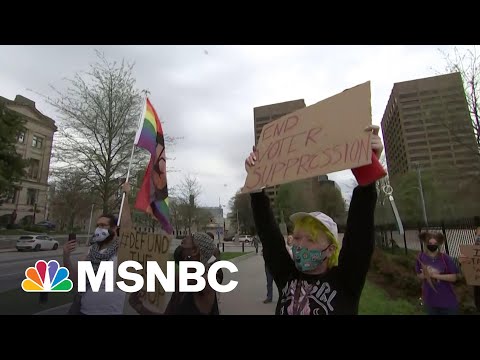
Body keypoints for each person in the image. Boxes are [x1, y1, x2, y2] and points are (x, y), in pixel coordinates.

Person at [245, 125, 382, 315]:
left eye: (310, 239)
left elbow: (360, 233)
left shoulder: (346, 281)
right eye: (298, 237)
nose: (300, 245)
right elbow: (269, 235)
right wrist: (256, 185)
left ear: (331, 249)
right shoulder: (287, 275)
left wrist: (367, 167)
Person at [129, 232, 220, 315]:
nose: (185, 237)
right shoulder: (181, 285)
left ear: (195, 251)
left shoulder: (205, 283)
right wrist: (139, 307)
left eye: (192, 237)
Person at [415, 231, 459, 315]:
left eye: (435, 243)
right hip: (430, 301)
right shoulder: (420, 257)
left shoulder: (445, 258)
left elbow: (454, 277)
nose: (432, 245)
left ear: (438, 244)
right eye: (430, 243)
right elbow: (419, 275)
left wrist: (435, 275)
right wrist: (425, 275)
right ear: (426, 243)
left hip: (447, 301)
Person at [459, 226, 480, 312]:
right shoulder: (473, 254)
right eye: (477, 235)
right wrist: (463, 263)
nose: (478, 238)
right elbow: (466, 276)